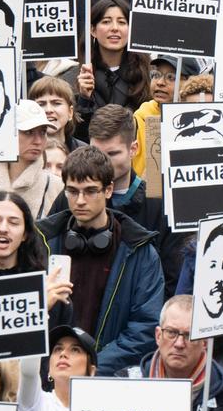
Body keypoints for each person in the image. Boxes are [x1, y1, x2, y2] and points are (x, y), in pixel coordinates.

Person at [38, 146, 164, 371]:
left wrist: (92, 366)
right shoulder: (41, 243)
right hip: (49, 377)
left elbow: (145, 328)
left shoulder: (140, 251)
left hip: (107, 379)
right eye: (73, 191)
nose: (80, 201)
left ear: (108, 190)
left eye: (90, 191)